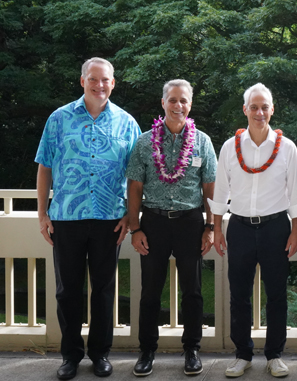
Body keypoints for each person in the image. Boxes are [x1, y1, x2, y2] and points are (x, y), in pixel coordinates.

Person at [35, 57, 141, 380]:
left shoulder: (127, 123)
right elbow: (44, 167)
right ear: (82, 81)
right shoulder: (58, 119)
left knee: (104, 290)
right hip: (66, 217)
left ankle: (99, 354)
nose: (99, 85)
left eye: (105, 80)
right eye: (93, 79)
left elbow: (137, 178)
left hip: (109, 219)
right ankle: (70, 356)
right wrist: (42, 213)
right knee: (67, 290)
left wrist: (131, 216)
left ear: (113, 83)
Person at [209, 83, 297, 378]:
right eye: (254, 107)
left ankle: (275, 355)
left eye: (265, 107)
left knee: (276, 294)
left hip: (276, 227)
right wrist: (217, 229)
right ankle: (243, 354)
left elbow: (295, 192)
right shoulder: (229, 146)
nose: (259, 112)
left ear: (272, 110)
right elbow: (220, 191)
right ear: (245, 110)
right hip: (238, 227)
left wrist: (294, 231)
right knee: (239, 294)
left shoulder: (286, 147)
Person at [125, 79, 217, 376]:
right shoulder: (144, 141)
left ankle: (191, 349)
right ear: (163, 102)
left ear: (190, 104)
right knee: (150, 290)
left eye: (184, 101)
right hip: (153, 222)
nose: (179, 106)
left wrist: (210, 226)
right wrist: (135, 228)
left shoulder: (202, 141)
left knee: (192, 290)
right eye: (173, 100)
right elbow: (135, 186)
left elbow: (210, 187)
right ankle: (147, 351)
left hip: (190, 222)